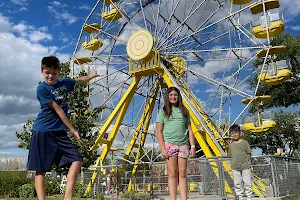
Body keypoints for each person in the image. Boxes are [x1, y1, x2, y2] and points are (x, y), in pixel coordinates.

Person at [27, 56, 99, 200]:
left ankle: (68, 198)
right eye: (47, 72)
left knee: (77, 160)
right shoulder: (42, 88)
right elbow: (58, 110)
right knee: (41, 170)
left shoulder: (64, 83)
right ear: (42, 71)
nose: (50, 76)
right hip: (43, 131)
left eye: (53, 73)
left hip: (59, 132)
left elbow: (79, 81)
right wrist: (74, 130)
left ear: (59, 72)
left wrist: (92, 75)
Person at [156, 87, 195, 200]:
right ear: (168, 97)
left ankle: (184, 198)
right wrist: (163, 149)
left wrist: (192, 146)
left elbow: (190, 130)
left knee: (182, 174)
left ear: (178, 96)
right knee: (172, 174)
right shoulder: (163, 111)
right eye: (171, 95)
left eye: (175, 95)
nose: (173, 97)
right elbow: (159, 131)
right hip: (170, 144)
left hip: (183, 145)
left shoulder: (184, 111)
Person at [228, 124, 252, 200]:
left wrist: (245, 161)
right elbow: (231, 155)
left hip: (245, 166)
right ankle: (240, 197)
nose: (234, 135)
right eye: (232, 133)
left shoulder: (244, 143)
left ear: (239, 133)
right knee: (237, 183)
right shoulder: (231, 145)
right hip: (235, 167)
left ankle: (249, 197)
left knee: (247, 182)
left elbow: (249, 153)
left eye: (236, 132)